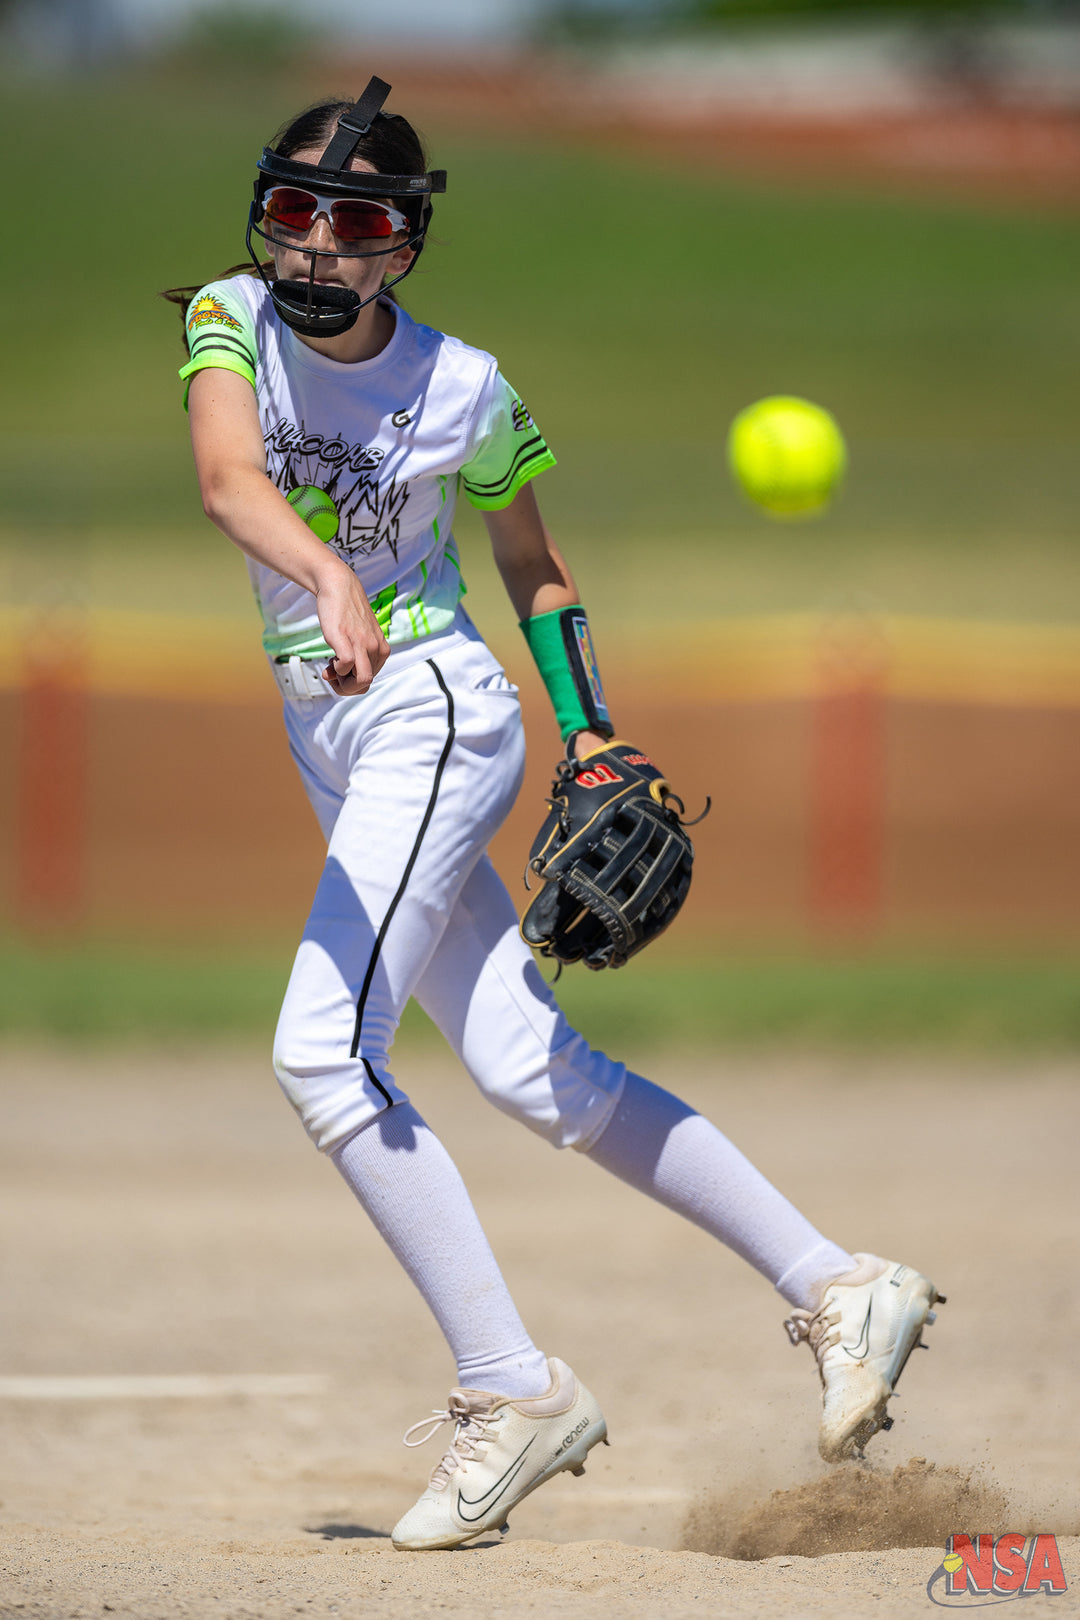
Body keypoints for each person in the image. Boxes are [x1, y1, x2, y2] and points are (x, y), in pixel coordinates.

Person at [168, 79, 944, 1553]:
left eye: (356, 224)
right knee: (531, 1070)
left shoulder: (464, 387)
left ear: (405, 245)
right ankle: (842, 1284)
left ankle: (511, 1388)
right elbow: (226, 480)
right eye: (295, 210)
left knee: (323, 1056)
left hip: (431, 710)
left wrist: (589, 728)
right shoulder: (228, 319)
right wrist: (324, 575)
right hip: (332, 721)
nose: (317, 244)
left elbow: (533, 567)